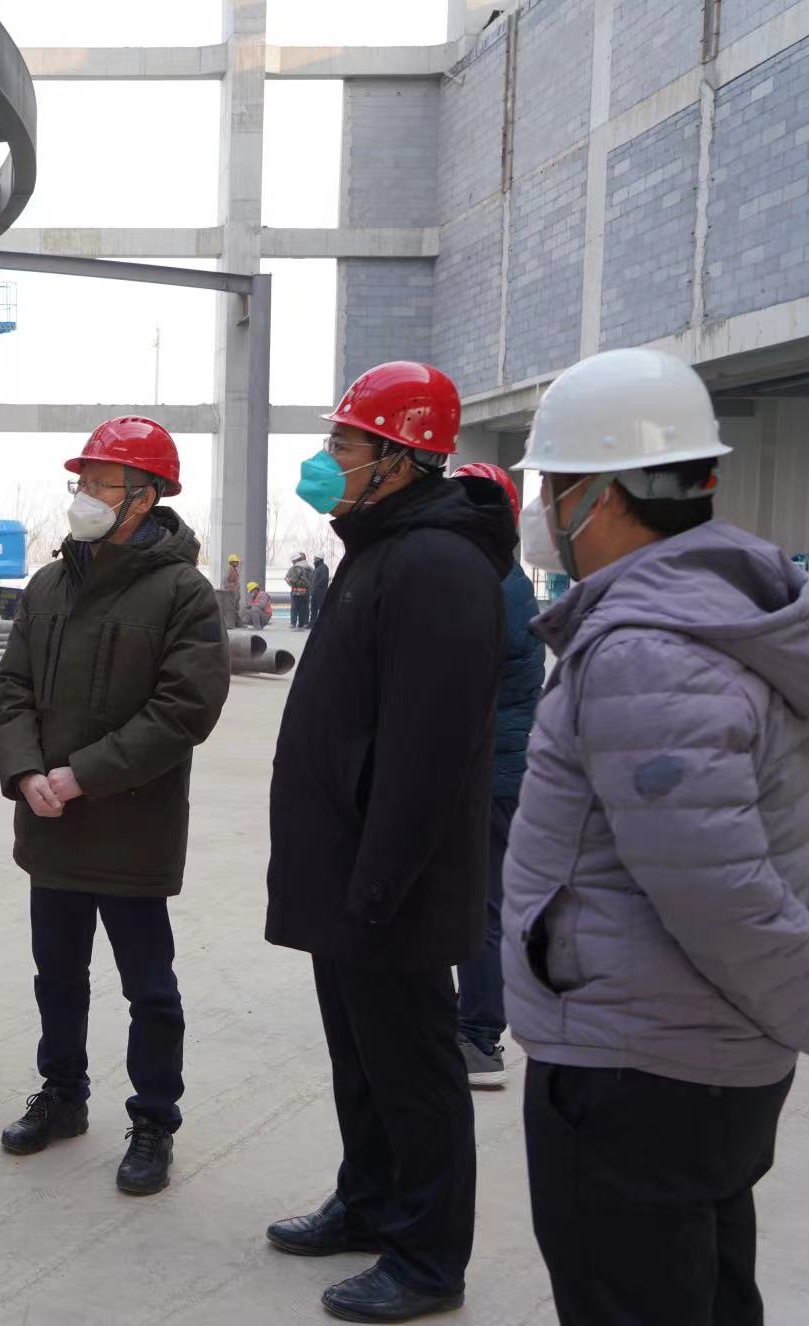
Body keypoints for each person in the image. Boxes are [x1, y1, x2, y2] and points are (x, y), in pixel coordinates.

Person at [502, 348, 809, 1325]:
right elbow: (785, 821)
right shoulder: (722, 611)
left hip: (637, 1068)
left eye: (552, 484)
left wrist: (807, 996)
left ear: (603, 495)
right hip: (699, 1060)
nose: (542, 509)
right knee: (703, 1289)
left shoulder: (647, 651)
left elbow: (715, 883)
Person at [262, 361, 511, 1323]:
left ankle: (427, 1256)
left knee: (415, 1071)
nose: (328, 460)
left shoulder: (437, 565)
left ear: (399, 458)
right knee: (361, 1058)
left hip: (391, 880)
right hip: (348, 870)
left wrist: (378, 883)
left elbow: (427, 751)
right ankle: (367, 1200)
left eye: (344, 443)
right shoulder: (379, 549)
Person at [0, 416, 230, 1196]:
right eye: (82, 482)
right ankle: (63, 1095)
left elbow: (183, 710)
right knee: (56, 975)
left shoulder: (184, 594)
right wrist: (27, 771)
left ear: (144, 497)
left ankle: (154, 1121)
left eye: (102, 483)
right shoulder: (48, 586)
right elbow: (13, 690)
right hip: (52, 823)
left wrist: (83, 775)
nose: (85, 496)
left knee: (148, 989)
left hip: (132, 827)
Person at [447, 462, 542, 1090]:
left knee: (481, 904)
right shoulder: (496, 576)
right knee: (477, 899)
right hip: (491, 765)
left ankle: (480, 1037)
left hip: (490, 771)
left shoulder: (494, 586)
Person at [284, 552, 313, 629]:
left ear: (294, 560)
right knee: (304, 608)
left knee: (295, 608)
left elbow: (292, 580)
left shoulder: (294, 569)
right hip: (306, 591)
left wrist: (288, 581)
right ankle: (304, 623)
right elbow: (312, 579)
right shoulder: (309, 568)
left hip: (296, 592)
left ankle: (295, 624)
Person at [221, 552, 242, 628]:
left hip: (235, 591)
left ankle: (236, 623)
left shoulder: (234, 569)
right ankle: (235, 623)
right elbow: (224, 580)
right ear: (232, 562)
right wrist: (229, 588)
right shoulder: (230, 569)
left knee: (236, 607)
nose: (237, 563)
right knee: (232, 608)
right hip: (231, 592)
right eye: (236, 562)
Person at [310, 554, 330, 629]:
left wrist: (315, 586)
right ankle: (312, 624)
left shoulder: (323, 567)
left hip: (321, 592)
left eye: (315, 558)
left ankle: (323, 624)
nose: (314, 559)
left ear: (319, 559)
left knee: (321, 609)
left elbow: (324, 579)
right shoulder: (317, 568)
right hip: (315, 592)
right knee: (313, 609)